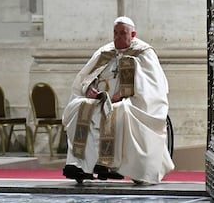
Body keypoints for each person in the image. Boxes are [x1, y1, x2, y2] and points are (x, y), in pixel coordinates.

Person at [61, 16, 174, 185]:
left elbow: (154, 85)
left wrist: (124, 94)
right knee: (80, 107)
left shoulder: (144, 53)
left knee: (121, 111)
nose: (117, 37)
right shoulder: (105, 52)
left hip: (132, 101)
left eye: (122, 33)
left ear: (133, 34)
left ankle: (109, 165)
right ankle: (81, 166)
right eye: (115, 33)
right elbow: (86, 77)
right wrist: (89, 89)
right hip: (100, 100)